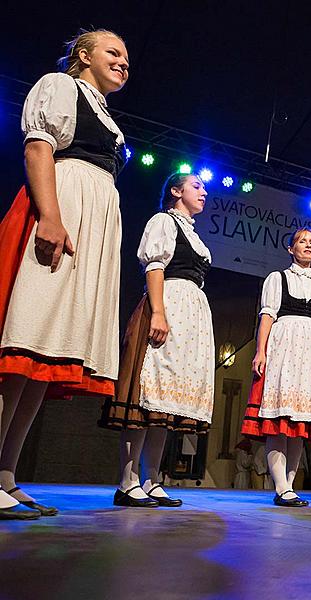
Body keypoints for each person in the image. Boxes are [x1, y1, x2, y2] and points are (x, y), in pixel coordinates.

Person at [0, 29, 129, 519]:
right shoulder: (60, 86)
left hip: (91, 223)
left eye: (126, 57)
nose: (123, 62)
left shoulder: (103, 110)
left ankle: (6, 475)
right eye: (113, 52)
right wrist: (51, 216)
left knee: (42, 360)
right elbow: (39, 149)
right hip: (64, 210)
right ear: (83, 55)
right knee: (24, 343)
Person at [98, 172, 214, 508]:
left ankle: (151, 479)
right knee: (146, 395)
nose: (203, 192)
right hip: (166, 306)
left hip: (189, 315)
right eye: (197, 186)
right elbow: (155, 267)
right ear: (176, 191)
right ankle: (127, 481)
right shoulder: (163, 221)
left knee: (165, 404)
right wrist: (159, 313)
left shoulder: (192, 234)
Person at [240, 228, 311, 507]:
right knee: (280, 421)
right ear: (290, 248)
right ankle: (282, 487)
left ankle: (289, 486)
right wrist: (260, 351)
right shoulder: (278, 278)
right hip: (285, 350)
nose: (308, 246)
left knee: (301, 424)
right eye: (302, 241)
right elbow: (267, 316)